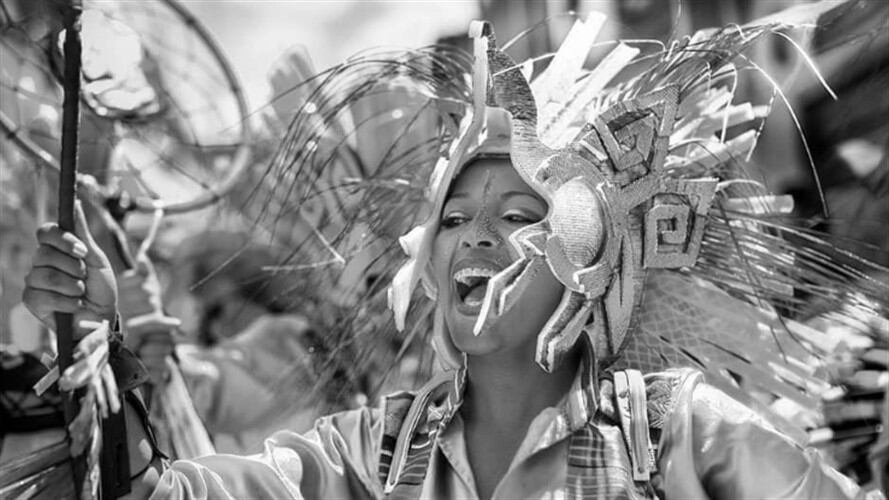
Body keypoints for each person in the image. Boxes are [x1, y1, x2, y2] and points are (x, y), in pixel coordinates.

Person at [19, 14, 886, 500]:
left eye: (519, 214)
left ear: (594, 267)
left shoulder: (681, 432)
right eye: (452, 219)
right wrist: (106, 336)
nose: (475, 236)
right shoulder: (373, 450)